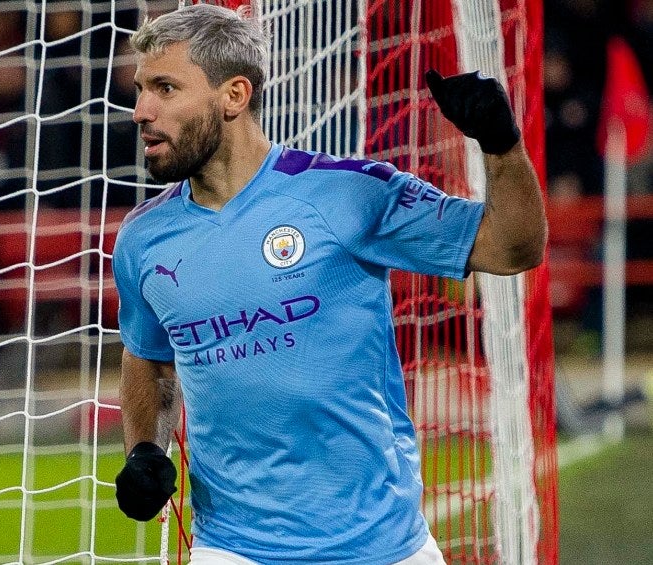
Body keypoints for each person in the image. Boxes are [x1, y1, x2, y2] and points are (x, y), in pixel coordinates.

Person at [110, 5, 546, 564]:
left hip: (385, 548)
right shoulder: (144, 239)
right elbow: (147, 356)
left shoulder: (348, 194)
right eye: (142, 89)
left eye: (165, 89)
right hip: (234, 548)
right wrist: (144, 449)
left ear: (234, 96)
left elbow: (514, 247)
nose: (142, 110)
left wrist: (500, 144)